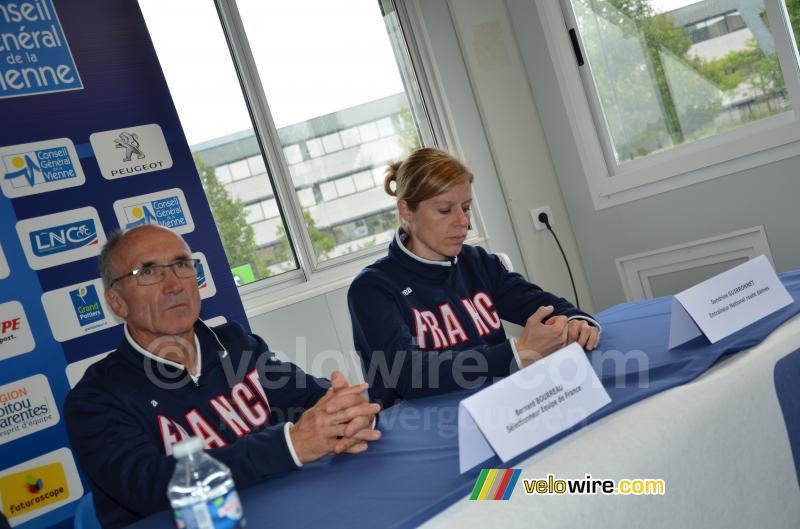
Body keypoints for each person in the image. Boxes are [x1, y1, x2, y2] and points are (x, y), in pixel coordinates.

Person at [65, 225, 380, 529]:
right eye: (148, 272)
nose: (173, 285)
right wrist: (289, 445)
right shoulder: (94, 400)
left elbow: (310, 396)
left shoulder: (236, 344)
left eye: (181, 264)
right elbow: (153, 486)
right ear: (117, 301)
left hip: (284, 512)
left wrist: (347, 414)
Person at [347, 148, 601, 408]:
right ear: (406, 210)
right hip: (423, 420)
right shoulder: (372, 289)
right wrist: (516, 353)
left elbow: (543, 305)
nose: (463, 222)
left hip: (499, 404)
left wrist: (575, 322)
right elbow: (409, 376)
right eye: (445, 210)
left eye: (466, 207)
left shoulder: (477, 262)